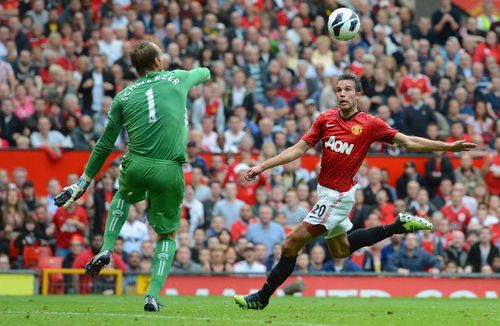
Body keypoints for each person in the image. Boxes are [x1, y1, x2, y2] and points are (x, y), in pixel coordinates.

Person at [233, 73, 476, 310]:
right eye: (339, 90)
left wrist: (447, 146)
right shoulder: (325, 119)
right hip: (328, 193)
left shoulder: (370, 124)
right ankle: (398, 226)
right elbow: (298, 149)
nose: (342, 94)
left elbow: (408, 142)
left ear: (358, 94)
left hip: (337, 196)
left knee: (289, 244)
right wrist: (262, 166)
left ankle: (262, 297)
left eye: (348, 90)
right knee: (341, 249)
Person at [54, 40, 211, 311]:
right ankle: (151, 295)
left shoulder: (122, 97)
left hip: (136, 164)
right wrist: (187, 74)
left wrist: (83, 182)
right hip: (169, 168)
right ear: (158, 61)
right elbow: (205, 71)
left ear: (136, 68)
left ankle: (107, 247)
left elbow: (104, 144)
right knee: (168, 235)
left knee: (123, 197)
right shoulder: (177, 78)